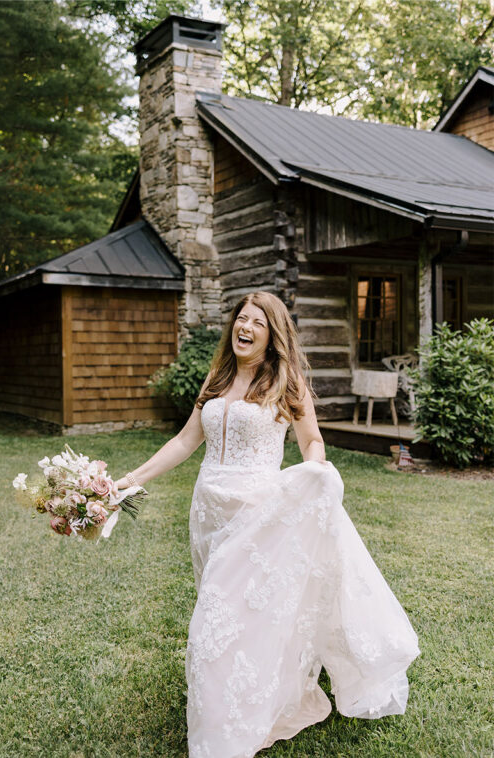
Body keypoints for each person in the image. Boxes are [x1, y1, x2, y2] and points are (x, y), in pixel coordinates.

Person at [115, 292, 420, 758]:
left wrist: (316, 472)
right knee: (234, 618)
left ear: (272, 334)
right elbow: (183, 442)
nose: (247, 326)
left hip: (258, 515)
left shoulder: (287, 381)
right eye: (242, 318)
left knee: (219, 620)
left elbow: (311, 441)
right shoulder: (216, 378)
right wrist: (128, 482)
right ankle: (253, 698)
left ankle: (224, 732)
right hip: (208, 513)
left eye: (258, 321)